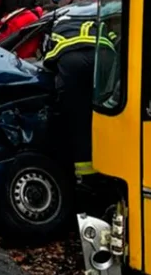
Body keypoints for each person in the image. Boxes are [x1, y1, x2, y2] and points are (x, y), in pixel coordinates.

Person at [42, 18, 116, 177]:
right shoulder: (98, 22)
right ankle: (112, 163)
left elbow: (48, 62)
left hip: (72, 60)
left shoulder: (57, 28)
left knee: (79, 118)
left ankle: (86, 174)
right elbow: (115, 39)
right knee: (106, 110)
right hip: (103, 55)